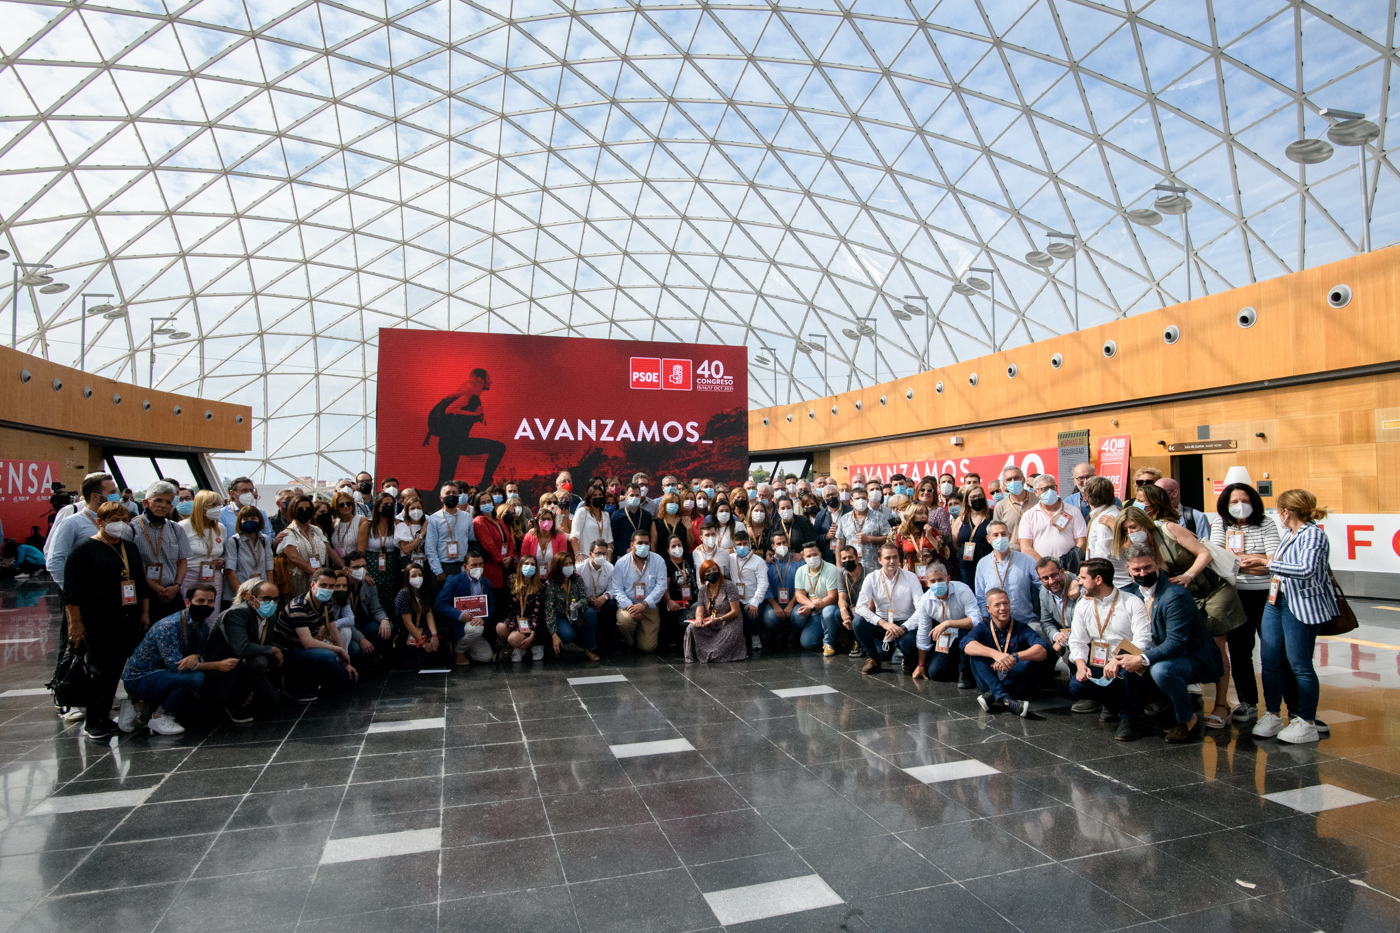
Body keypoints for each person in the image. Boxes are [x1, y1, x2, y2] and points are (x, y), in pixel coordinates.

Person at [1123, 488, 1245, 730]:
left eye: (1134, 527)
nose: (1131, 532)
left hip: (1211, 588)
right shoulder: (1136, 544)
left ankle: (1221, 704)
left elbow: (1204, 553)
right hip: (1182, 593)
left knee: (1215, 644)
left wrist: (1189, 575)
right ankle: (1167, 695)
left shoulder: (1168, 529)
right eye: (1127, 529)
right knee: (1168, 640)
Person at [1251, 489, 1336, 745]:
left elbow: (1306, 569)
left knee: (1300, 665)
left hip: (1300, 605)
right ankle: (1272, 714)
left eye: (1279, 510)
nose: (1278, 515)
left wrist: (1266, 563)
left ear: (1286, 512)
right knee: (1270, 661)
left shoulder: (1313, 535)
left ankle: (1306, 720)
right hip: (1276, 601)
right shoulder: (1290, 534)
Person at [1112, 545, 1222, 742]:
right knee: (1119, 660)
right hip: (1157, 651)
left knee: (1161, 671)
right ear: (1128, 570)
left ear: (1158, 564)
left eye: (1147, 567)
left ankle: (1188, 720)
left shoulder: (1174, 595)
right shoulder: (1132, 593)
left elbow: (1176, 644)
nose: (1143, 573)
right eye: (1137, 569)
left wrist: (1141, 659)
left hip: (1191, 657)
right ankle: (1128, 715)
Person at [62, 501, 150, 739]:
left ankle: (103, 714)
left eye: (124, 520)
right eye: (114, 520)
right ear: (100, 522)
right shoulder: (84, 550)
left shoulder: (129, 547)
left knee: (114, 670)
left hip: (127, 617)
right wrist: (75, 622)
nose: (120, 524)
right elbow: (71, 591)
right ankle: (93, 720)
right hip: (98, 619)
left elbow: (140, 583)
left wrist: (144, 612)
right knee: (99, 669)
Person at [1211, 482, 1284, 725]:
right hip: (1235, 596)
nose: (1240, 506)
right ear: (1226, 504)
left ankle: (1290, 708)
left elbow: (1275, 561)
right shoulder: (1221, 524)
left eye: (1245, 501)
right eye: (1234, 502)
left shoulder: (1266, 524)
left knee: (1274, 652)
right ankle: (1247, 702)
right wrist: (1258, 561)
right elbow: (1218, 560)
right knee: (1240, 652)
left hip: (1266, 596)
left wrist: (1239, 563)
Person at [120, 584, 234, 734]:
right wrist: (217, 665)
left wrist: (196, 656)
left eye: (210, 602)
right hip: (141, 678)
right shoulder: (169, 626)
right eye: (200, 601)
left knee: (198, 714)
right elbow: (177, 666)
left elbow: (201, 653)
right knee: (196, 678)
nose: (206, 605)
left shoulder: (202, 626)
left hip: (166, 676)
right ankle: (158, 716)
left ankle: (143, 705)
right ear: (187, 602)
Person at [1067, 558, 1153, 740]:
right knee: (1077, 686)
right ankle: (1111, 703)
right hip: (1099, 662)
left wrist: (1118, 659)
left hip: (1125, 663)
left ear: (1098, 579)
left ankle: (1129, 718)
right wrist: (1081, 665)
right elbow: (1077, 641)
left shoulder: (1131, 602)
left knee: (1132, 669)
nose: (1079, 582)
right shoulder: (1083, 605)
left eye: (1083, 578)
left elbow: (1143, 640)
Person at [270, 568, 359, 699]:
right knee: (327, 655)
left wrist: (345, 662)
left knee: (348, 681)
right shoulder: (299, 606)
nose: (327, 589)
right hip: (287, 652)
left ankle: (319, 680)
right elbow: (307, 642)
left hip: (306, 649)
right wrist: (339, 650)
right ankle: (293, 686)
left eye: (331, 586)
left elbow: (333, 630)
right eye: (323, 585)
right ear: (313, 584)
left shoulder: (326, 602)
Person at [205, 578, 283, 722]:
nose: (272, 603)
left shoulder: (270, 616)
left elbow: (261, 647)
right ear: (252, 599)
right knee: (260, 661)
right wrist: (271, 649)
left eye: (275, 599)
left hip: (248, 666)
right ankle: (233, 704)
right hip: (225, 668)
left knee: (271, 702)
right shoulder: (236, 614)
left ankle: (246, 694)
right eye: (266, 599)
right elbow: (242, 648)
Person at [963, 588, 1049, 716]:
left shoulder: (1021, 627)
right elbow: (966, 645)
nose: (1003, 608)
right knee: (975, 655)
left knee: (1030, 659)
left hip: (1014, 680)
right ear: (988, 609)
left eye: (1005, 603)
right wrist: (996, 655)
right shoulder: (983, 627)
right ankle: (1005, 699)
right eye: (997, 605)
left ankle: (995, 695)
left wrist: (1014, 657)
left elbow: (1042, 649)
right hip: (990, 678)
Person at [428, 368, 505, 491]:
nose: (490, 382)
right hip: (454, 443)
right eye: (488, 379)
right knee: (499, 447)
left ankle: (432, 502)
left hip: (450, 443)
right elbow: (449, 410)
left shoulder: (473, 397)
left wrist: (475, 416)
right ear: (480, 380)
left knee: (444, 483)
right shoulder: (468, 396)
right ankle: (485, 483)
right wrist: (474, 414)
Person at [44, 471, 120, 592]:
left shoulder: (117, 520)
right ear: (95, 496)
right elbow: (55, 560)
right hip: (83, 593)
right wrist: (72, 590)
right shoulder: (71, 522)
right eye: (112, 492)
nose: (116, 496)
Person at [853, 543, 922, 675]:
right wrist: (884, 624)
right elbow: (860, 607)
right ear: (879, 560)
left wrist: (904, 627)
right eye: (887, 558)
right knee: (858, 622)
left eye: (895, 557)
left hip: (905, 623)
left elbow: (921, 608)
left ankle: (909, 657)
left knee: (908, 643)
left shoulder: (910, 577)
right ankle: (873, 658)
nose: (892, 561)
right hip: (883, 624)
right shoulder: (872, 578)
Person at [129, 481, 192, 623]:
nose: (163, 505)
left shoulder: (176, 529)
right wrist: (157, 588)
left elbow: (182, 561)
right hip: (144, 595)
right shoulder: (131, 529)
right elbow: (132, 567)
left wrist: (177, 586)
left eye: (168, 502)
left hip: (172, 593)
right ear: (145, 503)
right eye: (158, 500)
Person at [908, 562, 981, 682]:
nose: (937, 584)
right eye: (933, 581)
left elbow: (976, 620)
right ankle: (958, 666)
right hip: (947, 638)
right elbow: (923, 632)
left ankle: (966, 671)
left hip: (966, 634)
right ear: (927, 583)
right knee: (935, 673)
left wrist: (948, 623)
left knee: (964, 633)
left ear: (948, 579)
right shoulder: (925, 601)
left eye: (940, 579)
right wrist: (921, 664)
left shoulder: (962, 590)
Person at [432, 550, 496, 665]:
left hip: (476, 624)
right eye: (474, 565)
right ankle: (458, 651)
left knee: (485, 657)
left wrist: (483, 618)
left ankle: (459, 648)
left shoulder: (486, 583)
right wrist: (459, 615)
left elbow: (491, 606)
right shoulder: (454, 580)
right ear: (465, 567)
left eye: (481, 564)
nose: (478, 568)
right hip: (459, 624)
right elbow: (440, 604)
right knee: (476, 630)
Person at [974, 521, 1040, 627]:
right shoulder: (983, 564)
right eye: (995, 535)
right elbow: (980, 595)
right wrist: (985, 618)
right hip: (996, 624)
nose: (1000, 538)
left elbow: (1042, 585)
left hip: (1025, 621)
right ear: (988, 539)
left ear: (1009, 536)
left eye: (1003, 534)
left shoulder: (1027, 560)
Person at [610, 529, 666, 653]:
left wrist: (644, 605)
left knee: (648, 648)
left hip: (649, 606)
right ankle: (629, 641)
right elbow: (617, 589)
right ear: (632, 545)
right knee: (625, 621)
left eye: (646, 543)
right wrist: (630, 607)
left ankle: (640, 637)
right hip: (629, 606)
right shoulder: (621, 563)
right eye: (640, 543)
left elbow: (661, 586)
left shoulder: (658, 560)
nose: (643, 546)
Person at [277, 492, 337, 601]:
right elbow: (294, 557)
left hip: (319, 576)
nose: (304, 512)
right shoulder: (288, 533)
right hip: (301, 579)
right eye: (300, 510)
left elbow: (329, 550)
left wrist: (343, 567)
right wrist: (315, 574)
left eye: (308, 509)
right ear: (293, 511)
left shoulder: (316, 530)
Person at [685, 559, 746, 663]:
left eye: (714, 570)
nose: (712, 573)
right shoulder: (703, 590)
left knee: (717, 652)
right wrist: (699, 618)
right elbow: (699, 608)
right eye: (708, 571)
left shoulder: (729, 586)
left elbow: (735, 611)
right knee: (691, 627)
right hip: (710, 622)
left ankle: (710, 654)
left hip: (729, 621)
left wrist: (719, 619)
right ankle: (693, 657)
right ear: (703, 575)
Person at [1017, 474, 1087, 564]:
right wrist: (1047, 566)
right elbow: (1026, 548)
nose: (1050, 491)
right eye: (1045, 489)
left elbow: (1081, 542)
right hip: (1040, 568)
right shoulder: (1029, 515)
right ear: (1036, 492)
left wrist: (1069, 563)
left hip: (1068, 567)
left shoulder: (1073, 511)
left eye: (1052, 487)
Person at [178, 489, 227, 607]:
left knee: (212, 611)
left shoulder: (220, 528)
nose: (217, 508)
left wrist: (222, 561)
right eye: (213, 505)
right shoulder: (183, 526)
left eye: (219, 505)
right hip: (189, 575)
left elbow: (223, 553)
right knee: (191, 610)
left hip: (213, 576)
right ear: (201, 506)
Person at [544, 552, 598, 660]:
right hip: (560, 615)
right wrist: (554, 635)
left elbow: (584, 598)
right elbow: (549, 611)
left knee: (591, 613)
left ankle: (589, 649)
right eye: (565, 564)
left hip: (575, 611)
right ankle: (556, 645)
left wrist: (579, 605)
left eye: (570, 563)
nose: (568, 566)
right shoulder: (551, 584)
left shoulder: (577, 579)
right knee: (567, 634)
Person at [792, 540, 842, 655]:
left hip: (828, 606)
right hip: (813, 609)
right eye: (808, 556)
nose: (812, 558)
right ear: (804, 558)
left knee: (828, 612)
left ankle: (829, 642)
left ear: (820, 554)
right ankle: (828, 632)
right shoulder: (800, 571)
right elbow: (799, 595)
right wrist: (811, 606)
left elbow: (833, 596)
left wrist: (812, 607)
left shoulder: (831, 569)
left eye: (815, 554)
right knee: (807, 642)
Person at [1034, 556, 1078, 685]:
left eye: (1054, 575)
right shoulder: (1043, 592)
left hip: (1083, 637)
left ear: (1062, 571)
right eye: (1045, 578)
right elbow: (1045, 621)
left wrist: (1065, 638)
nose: (1051, 581)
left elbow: (1086, 625)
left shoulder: (1078, 588)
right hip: (1062, 635)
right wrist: (1056, 635)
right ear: (1039, 579)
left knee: (1076, 686)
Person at [497, 553, 549, 662]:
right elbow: (511, 609)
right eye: (526, 564)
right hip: (519, 620)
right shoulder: (513, 583)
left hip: (535, 624)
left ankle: (535, 644)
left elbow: (537, 614)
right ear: (520, 566)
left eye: (532, 564)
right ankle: (520, 647)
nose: (529, 567)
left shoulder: (540, 587)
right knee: (500, 628)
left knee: (513, 638)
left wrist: (532, 636)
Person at [343, 550, 391, 661]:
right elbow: (344, 620)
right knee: (355, 648)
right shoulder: (342, 586)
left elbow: (376, 608)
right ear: (347, 569)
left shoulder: (368, 584)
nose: (361, 570)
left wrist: (384, 619)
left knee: (387, 627)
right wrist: (361, 639)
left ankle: (372, 658)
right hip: (347, 628)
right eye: (356, 567)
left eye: (364, 566)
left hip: (362, 624)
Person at [577, 539, 620, 656]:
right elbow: (575, 590)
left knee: (611, 605)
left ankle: (610, 643)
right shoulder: (579, 568)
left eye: (604, 553)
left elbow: (613, 588)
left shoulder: (610, 567)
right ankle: (590, 646)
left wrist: (605, 597)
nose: (601, 556)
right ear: (590, 554)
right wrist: (587, 599)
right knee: (589, 612)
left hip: (602, 599)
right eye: (598, 553)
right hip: (585, 600)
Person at [1083, 477, 1128, 586]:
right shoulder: (1113, 512)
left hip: (1115, 583)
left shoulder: (1104, 519)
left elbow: (1102, 556)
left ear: (1087, 497)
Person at [224, 504, 274, 601]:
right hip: (239, 594)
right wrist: (241, 596)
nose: (249, 521)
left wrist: (268, 593)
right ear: (240, 521)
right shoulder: (233, 541)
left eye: (253, 518)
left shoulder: (265, 540)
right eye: (245, 519)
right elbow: (230, 571)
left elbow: (269, 568)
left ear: (259, 520)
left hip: (260, 593)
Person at [425, 483, 473, 583]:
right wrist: (438, 570)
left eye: (454, 493)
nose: (451, 495)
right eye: (448, 493)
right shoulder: (433, 519)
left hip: (463, 566)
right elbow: (430, 548)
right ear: (441, 498)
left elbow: (471, 540)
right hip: (443, 567)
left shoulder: (467, 517)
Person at [395, 564, 441, 668]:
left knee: (440, 634)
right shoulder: (403, 594)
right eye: (414, 576)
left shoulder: (423, 592)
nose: (418, 578)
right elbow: (407, 623)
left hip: (421, 630)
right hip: (406, 633)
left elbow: (429, 614)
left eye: (420, 575)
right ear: (407, 578)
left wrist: (434, 635)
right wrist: (423, 643)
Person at [836, 487, 890, 574]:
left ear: (867, 500)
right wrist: (839, 564)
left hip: (873, 566)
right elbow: (840, 543)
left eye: (863, 498)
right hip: (851, 567)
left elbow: (888, 538)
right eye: (857, 498)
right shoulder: (844, 519)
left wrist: (869, 539)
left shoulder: (878, 517)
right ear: (851, 501)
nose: (861, 501)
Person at [731, 529, 769, 653]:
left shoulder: (759, 561)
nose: (742, 547)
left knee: (751, 612)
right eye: (739, 544)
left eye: (745, 543)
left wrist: (755, 602)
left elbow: (763, 584)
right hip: (736, 599)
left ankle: (755, 636)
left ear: (750, 543)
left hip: (753, 598)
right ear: (734, 546)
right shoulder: (730, 559)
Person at [660, 533, 697, 652]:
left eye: (679, 545)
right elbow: (665, 587)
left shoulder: (689, 559)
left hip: (692, 600)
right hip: (675, 602)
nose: (677, 548)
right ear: (668, 549)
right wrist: (668, 600)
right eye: (673, 546)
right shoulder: (667, 564)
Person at [472, 491, 515, 589]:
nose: (487, 504)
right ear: (478, 506)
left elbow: (509, 540)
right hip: (491, 565)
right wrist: (501, 560)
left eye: (489, 501)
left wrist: (510, 556)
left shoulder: (498, 520)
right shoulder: (479, 521)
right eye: (483, 502)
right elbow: (489, 544)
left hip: (505, 563)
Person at [360, 492, 401, 593]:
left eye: (391, 504)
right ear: (378, 507)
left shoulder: (396, 523)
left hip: (391, 569)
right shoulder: (367, 525)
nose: (389, 507)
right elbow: (360, 552)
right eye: (386, 504)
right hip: (372, 567)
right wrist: (365, 573)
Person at [956, 485, 993, 584]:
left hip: (988, 565)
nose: (977, 499)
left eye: (979, 496)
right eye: (973, 497)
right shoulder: (961, 519)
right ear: (967, 501)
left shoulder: (992, 516)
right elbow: (955, 543)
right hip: (966, 567)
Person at [991, 465, 1033, 550]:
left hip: (1036, 551)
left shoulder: (1038, 500)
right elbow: (997, 533)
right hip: (1013, 553)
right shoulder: (1000, 506)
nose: (1013, 481)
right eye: (1009, 479)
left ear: (1023, 480)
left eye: (1016, 478)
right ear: (1004, 484)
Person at [571, 485, 614, 560]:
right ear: (590, 499)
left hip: (602, 558)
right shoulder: (582, 512)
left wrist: (609, 555)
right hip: (586, 557)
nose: (598, 497)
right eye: (595, 495)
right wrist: (577, 554)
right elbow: (574, 536)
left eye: (600, 495)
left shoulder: (605, 515)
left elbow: (609, 539)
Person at [610, 484, 653, 552]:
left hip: (642, 552)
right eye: (632, 495)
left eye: (637, 495)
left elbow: (651, 537)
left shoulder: (647, 515)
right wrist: (625, 551)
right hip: (622, 554)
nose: (634, 497)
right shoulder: (617, 515)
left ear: (640, 496)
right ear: (626, 497)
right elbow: (612, 538)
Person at [395, 495, 429, 574]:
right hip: (408, 564)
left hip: (425, 564)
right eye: (412, 508)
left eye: (418, 508)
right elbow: (405, 550)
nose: (416, 511)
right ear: (407, 511)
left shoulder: (427, 525)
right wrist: (421, 535)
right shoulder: (402, 526)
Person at [813, 485, 847, 564]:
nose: (831, 497)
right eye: (828, 496)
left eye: (833, 494)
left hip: (846, 554)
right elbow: (815, 537)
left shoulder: (850, 511)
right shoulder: (820, 515)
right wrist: (826, 536)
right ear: (824, 500)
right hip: (828, 557)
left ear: (838, 495)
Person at [328, 490, 364, 562]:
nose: (346, 506)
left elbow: (361, 550)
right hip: (337, 564)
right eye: (341, 505)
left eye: (348, 504)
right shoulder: (334, 522)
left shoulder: (361, 521)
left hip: (354, 563)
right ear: (336, 507)